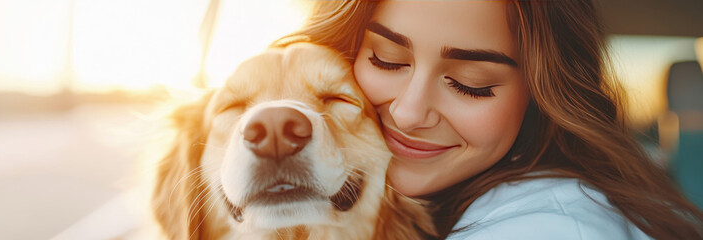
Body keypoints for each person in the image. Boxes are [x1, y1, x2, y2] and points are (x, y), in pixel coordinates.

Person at [275, 1, 703, 239]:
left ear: (539, 98)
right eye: (385, 60)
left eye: (470, 83)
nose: (408, 112)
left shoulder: (553, 227)